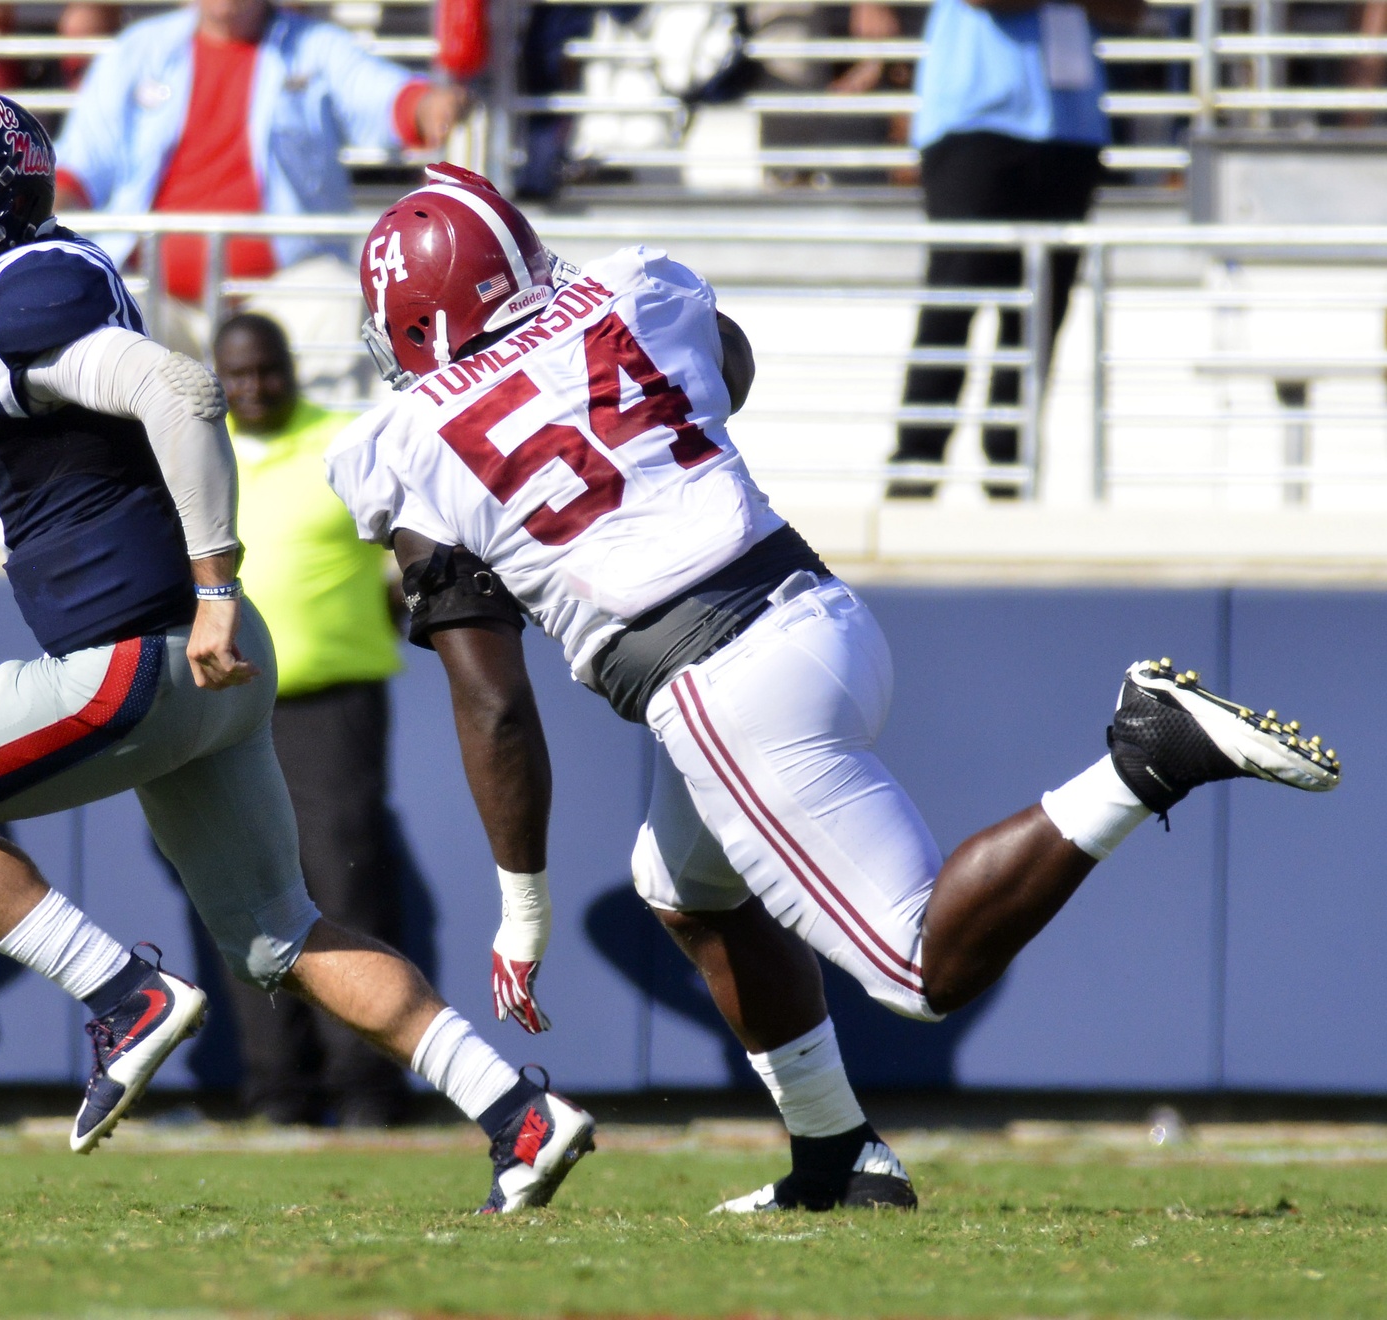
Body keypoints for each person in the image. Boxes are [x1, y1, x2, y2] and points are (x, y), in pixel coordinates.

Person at [327, 164, 1340, 1213]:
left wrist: (521, 908)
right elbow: (728, 364)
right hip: (817, 615)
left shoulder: (408, 446)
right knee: (681, 886)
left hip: (718, 683)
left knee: (914, 973)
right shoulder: (627, 294)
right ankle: (837, 1158)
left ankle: (1147, 753)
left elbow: (491, 699)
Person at [0, 90, 590, 1211]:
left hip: (138, 651)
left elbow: (178, 388)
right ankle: (515, 1111)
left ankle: (119, 995)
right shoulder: (5, 302)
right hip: (201, 667)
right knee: (278, 934)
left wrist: (213, 584)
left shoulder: (18, 292)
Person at [211, 312, 408, 1127]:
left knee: (345, 883)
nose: (253, 388)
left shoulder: (344, 441)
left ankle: (366, 1087)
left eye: (268, 370)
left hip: (331, 707)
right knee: (245, 896)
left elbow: (408, 543)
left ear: (292, 369)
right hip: (225, 711)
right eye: (237, 375)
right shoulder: (195, 450)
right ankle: (277, 1090)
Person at [53, 0, 468, 367]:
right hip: (156, 297)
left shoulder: (317, 47)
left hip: (281, 292)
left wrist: (429, 105)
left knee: (339, 301)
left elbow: (386, 97)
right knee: (96, 311)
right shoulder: (136, 50)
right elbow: (76, 168)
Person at [886, 0, 1146, 499]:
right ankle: (915, 470)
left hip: (1069, 129)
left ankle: (1011, 473)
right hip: (975, 122)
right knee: (954, 300)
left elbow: (1131, 9)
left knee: (1039, 316)